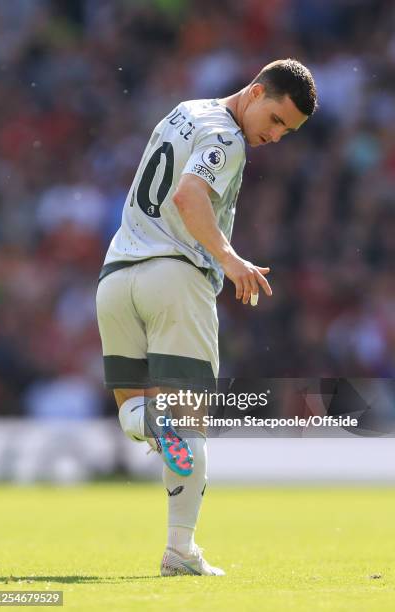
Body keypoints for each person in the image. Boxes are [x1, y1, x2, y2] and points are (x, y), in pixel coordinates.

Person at [96, 58, 317, 576]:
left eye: (289, 131)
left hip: (116, 279)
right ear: (256, 91)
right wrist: (229, 257)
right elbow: (189, 194)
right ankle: (180, 551)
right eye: (277, 120)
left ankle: (154, 430)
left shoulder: (185, 111)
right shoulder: (230, 139)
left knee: (137, 418)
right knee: (187, 423)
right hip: (175, 280)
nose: (277, 136)